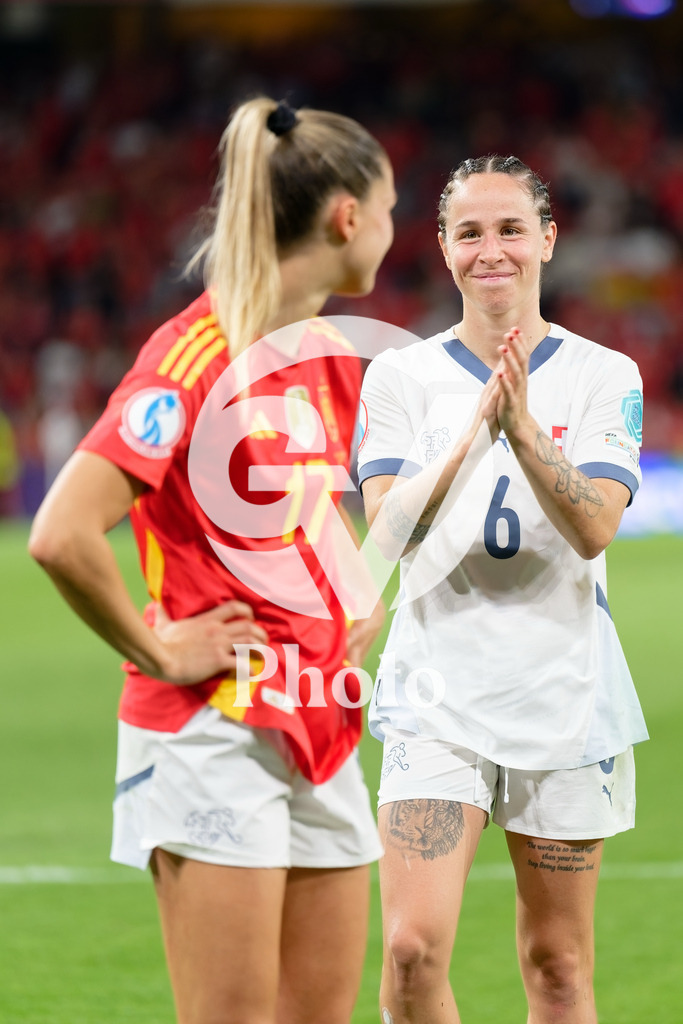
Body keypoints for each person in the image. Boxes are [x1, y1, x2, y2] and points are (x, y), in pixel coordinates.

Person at [29, 96, 395, 1024]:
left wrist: (354, 594)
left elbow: (309, 507)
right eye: (390, 210)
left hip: (319, 722)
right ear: (347, 216)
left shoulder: (324, 353)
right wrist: (161, 650)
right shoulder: (191, 356)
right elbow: (63, 532)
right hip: (211, 733)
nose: (393, 235)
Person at [357, 154, 647, 1024]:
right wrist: (466, 441)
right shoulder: (399, 378)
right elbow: (384, 534)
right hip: (433, 697)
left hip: (563, 694)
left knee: (557, 965)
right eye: (470, 231)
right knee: (410, 951)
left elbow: (595, 524)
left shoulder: (603, 374)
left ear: (547, 240)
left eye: (511, 228)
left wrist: (520, 429)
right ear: (443, 248)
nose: (493, 250)